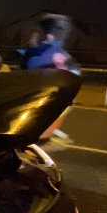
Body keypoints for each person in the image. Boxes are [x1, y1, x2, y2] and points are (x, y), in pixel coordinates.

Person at [21, 14, 80, 142]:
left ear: (49, 35)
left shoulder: (43, 55)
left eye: (38, 31)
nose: (34, 35)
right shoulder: (62, 57)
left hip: (37, 110)